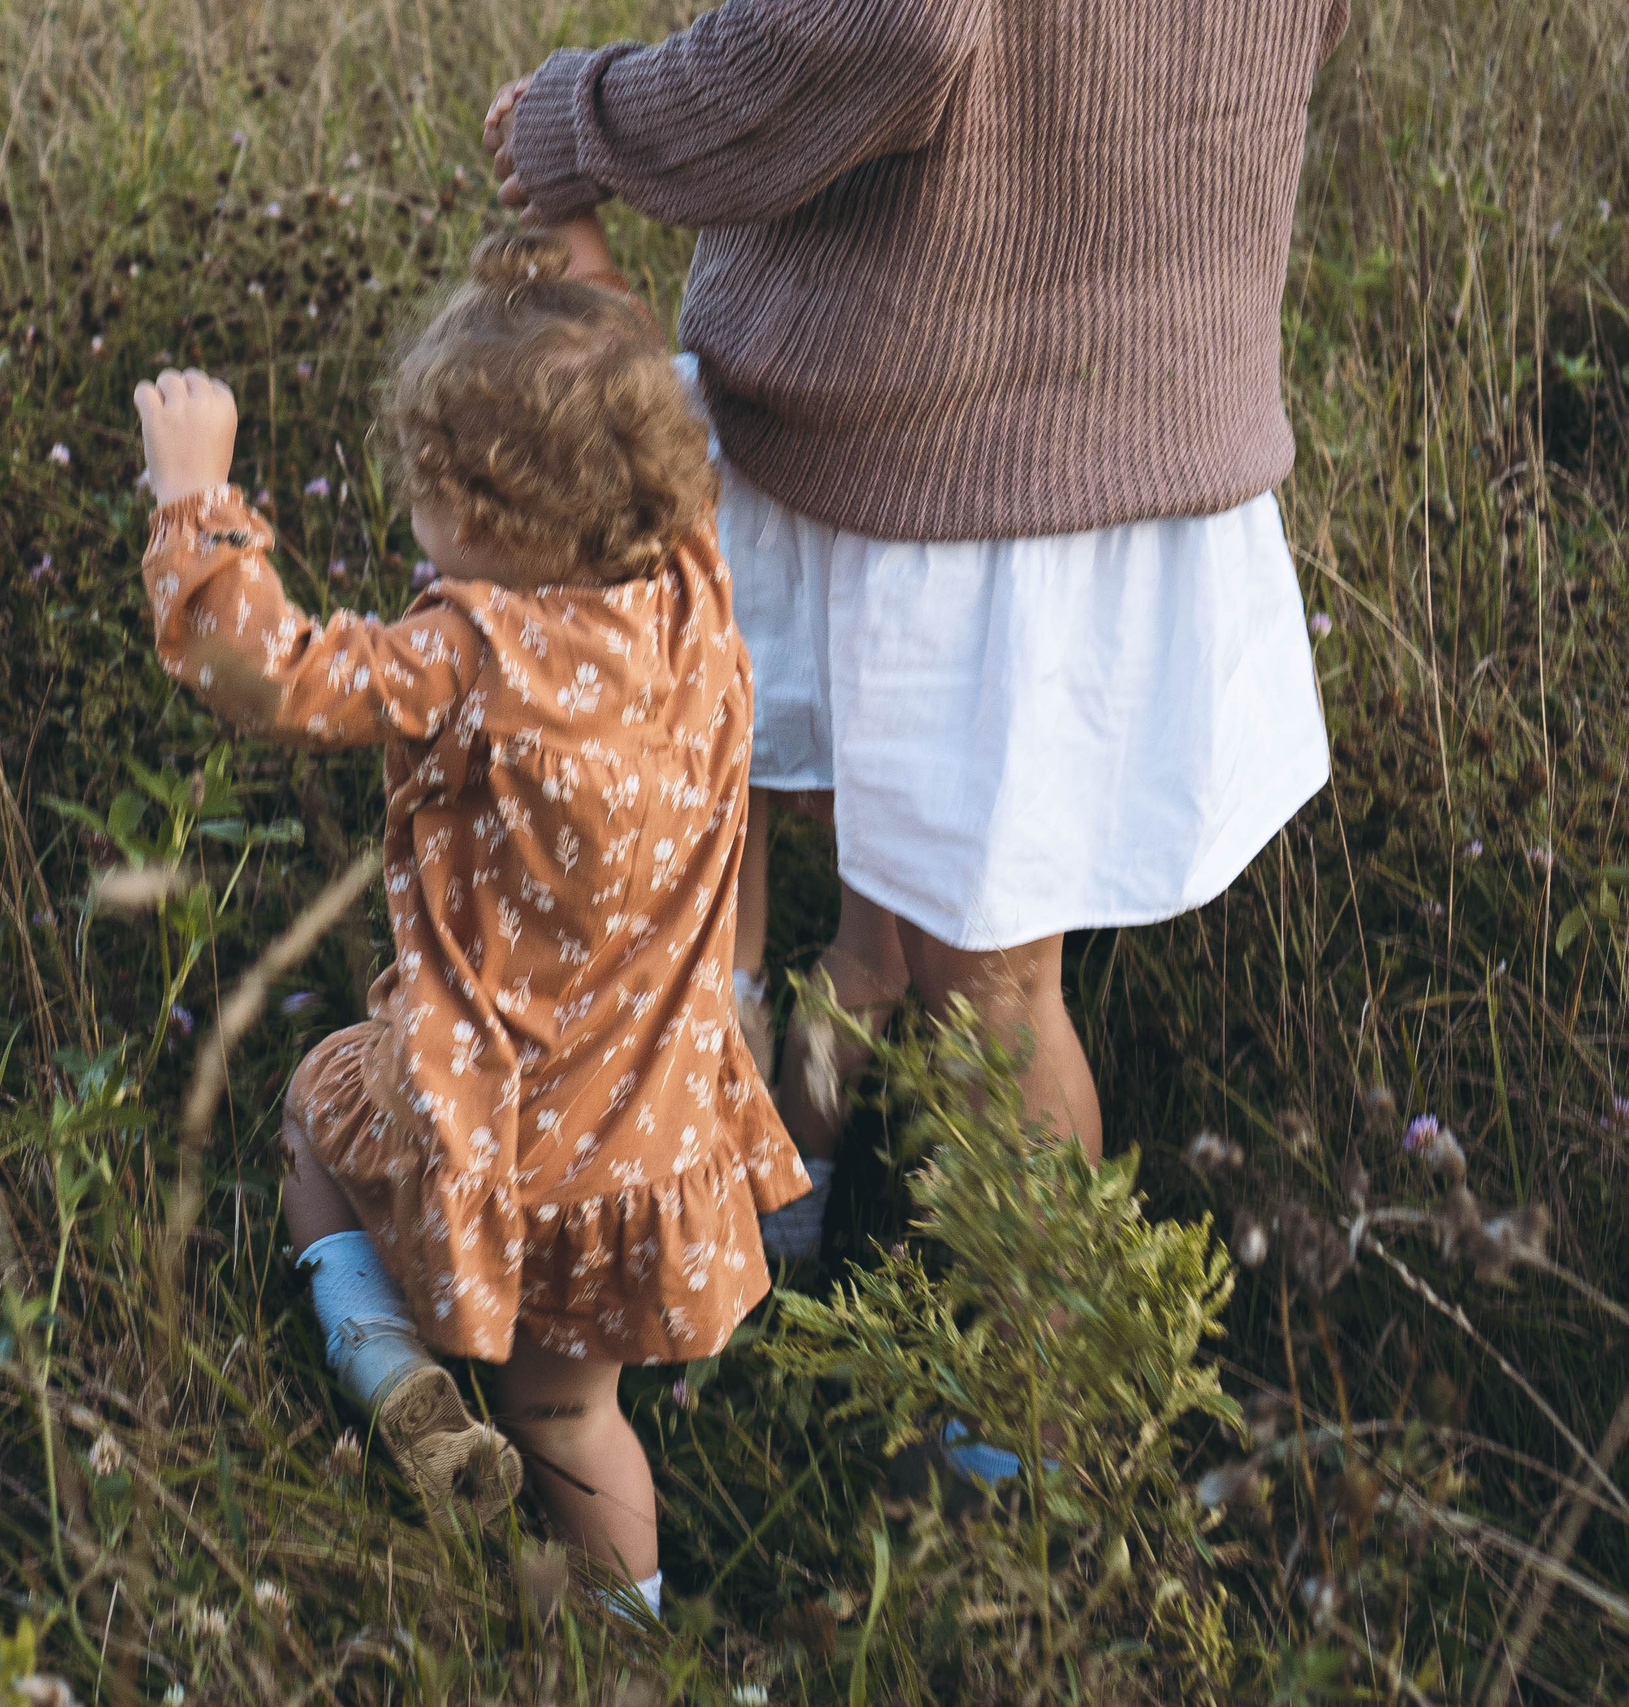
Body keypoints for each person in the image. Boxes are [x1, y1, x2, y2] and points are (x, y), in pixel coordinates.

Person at [486, 0, 1348, 1256]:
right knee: (872, 902)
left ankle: (1023, 1422)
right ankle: (772, 1219)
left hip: (959, 456)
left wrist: (591, 118)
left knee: (989, 984)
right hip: (1109, 405)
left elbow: (890, 29)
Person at [130, 228, 805, 1614]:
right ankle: (627, 1642)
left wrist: (192, 497)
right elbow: (629, 426)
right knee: (574, 1417)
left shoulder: (466, 651)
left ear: (482, 508)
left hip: (496, 1127)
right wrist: (592, 279)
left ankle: (385, 1362)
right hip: (651, 1129)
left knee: (321, 1108)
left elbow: (268, 671)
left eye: (431, 490)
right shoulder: (694, 592)